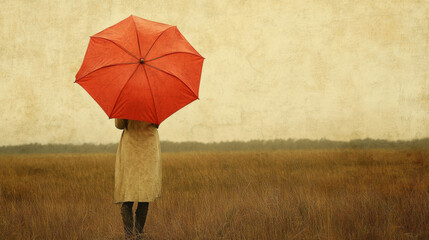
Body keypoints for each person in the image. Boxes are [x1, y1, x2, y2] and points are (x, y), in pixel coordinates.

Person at [114, 118, 161, 239]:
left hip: (130, 147)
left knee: (127, 195)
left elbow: (119, 125)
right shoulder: (154, 100)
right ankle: (139, 234)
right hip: (148, 147)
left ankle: (128, 236)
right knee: (145, 195)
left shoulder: (124, 101)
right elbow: (157, 123)